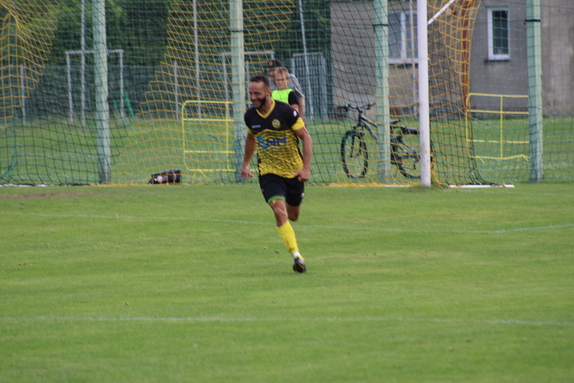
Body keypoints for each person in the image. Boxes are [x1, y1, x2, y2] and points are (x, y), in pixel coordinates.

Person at [241, 75, 313, 273]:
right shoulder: (250, 116)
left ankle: (294, 246)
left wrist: (306, 168)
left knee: (293, 215)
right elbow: (251, 138)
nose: (253, 97)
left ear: (268, 92)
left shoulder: (286, 112)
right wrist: (246, 164)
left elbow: (306, 137)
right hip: (269, 172)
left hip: (294, 171)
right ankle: (297, 256)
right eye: (250, 94)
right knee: (278, 210)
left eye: (257, 93)